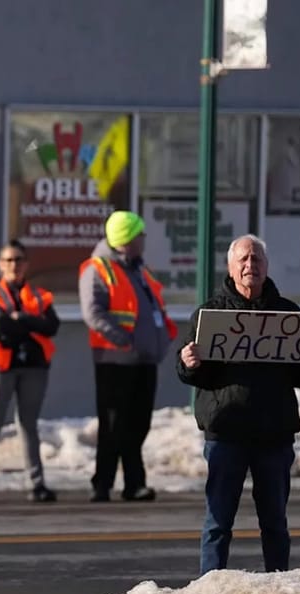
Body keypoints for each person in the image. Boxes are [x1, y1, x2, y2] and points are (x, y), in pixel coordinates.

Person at [178, 235, 300, 575]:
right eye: (243, 259)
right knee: (218, 523)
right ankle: (208, 588)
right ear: (230, 267)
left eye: (256, 259)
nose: (250, 265)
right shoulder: (209, 315)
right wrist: (188, 362)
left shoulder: (287, 313)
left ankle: (279, 583)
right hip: (226, 434)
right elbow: (192, 373)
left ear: (267, 266)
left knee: (274, 522)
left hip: (274, 434)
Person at [78, 210, 176, 503]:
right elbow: (93, 313)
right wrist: (126, 341)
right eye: (140, 234)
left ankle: (134, 483)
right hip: (115, 360)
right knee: (113, 424)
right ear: (127, 239)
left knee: (138, 423)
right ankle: (103, 483)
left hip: (145, 359)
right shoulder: (98, 269)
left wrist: (163, 338)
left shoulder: (140, 269)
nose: (144, 239)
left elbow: (154, 308)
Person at [0, 240, 60, 504]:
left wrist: (23, 319)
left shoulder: (39, 296)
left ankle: (36, 484)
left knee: (28, 424)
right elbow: (1, 325)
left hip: (33, 365)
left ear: (26, 264)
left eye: (19, 259)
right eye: (8, 260)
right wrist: (30, 325)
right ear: (0, 265)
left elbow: (52, 326)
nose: (14, 265)